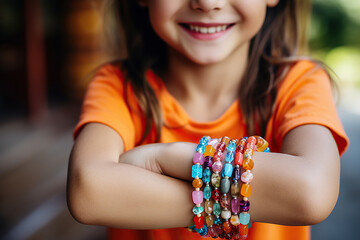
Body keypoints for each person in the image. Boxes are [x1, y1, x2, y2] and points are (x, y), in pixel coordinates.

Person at [66, 0, 349, 239]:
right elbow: (87, 193)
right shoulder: (119, 87)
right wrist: (228, 199)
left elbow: (312, 191)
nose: (206, 2)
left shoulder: (298, 83)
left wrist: (165, 158)